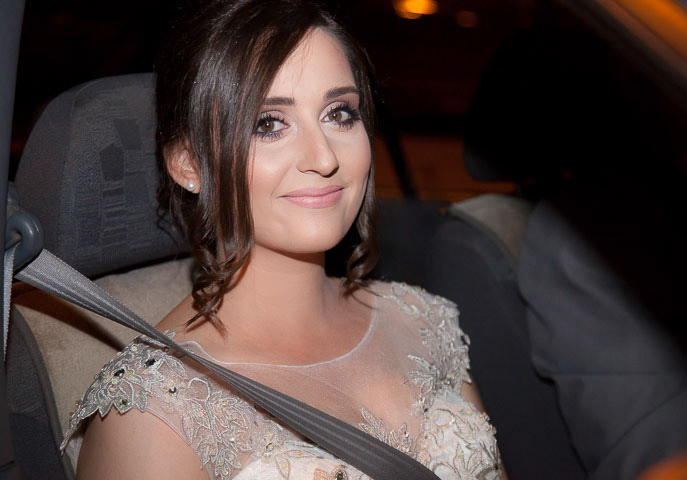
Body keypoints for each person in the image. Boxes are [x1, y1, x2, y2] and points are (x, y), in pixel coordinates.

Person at [60, 1, 503, 479]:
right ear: (189, 164)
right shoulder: (153, 414)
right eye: (269, 123)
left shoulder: (426, 322)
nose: (324, 158)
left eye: (339, 113)